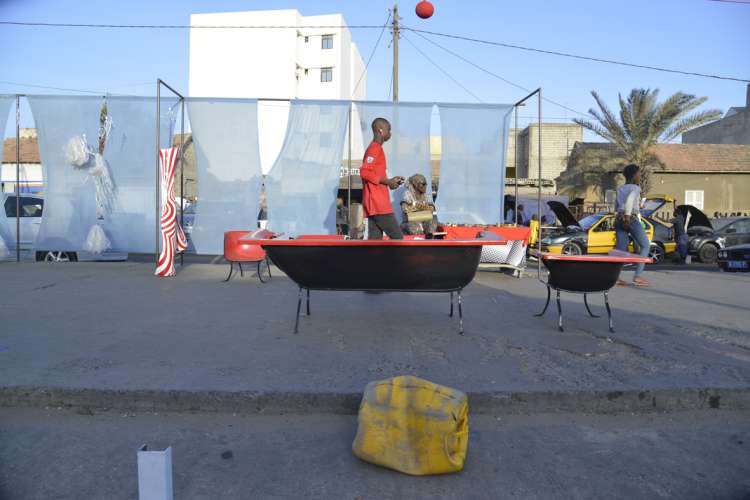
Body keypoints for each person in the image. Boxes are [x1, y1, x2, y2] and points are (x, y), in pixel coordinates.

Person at [359, 118, 404, 240]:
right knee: (398, 239)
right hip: (378, 204)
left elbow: (373, 174)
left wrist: (390, 181)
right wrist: (387, 181)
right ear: (381, 130)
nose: (390, 133)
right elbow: (364, 171)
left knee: (375, 242)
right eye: (389, 130)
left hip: (374, 204)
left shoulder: (374, 148)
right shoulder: (375, 148)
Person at [615, 164, 651, 286]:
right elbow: (630, 200)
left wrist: (623, 215)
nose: (640, 176)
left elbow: (616, 205)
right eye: (639, 173)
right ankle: (638, 276)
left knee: (620, 250)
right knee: (645, 245)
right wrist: (628, 216)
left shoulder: (620, 188)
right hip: (630, 218)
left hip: (618, 217)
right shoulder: (636, 188)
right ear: (634, 175)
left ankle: (615, 277)